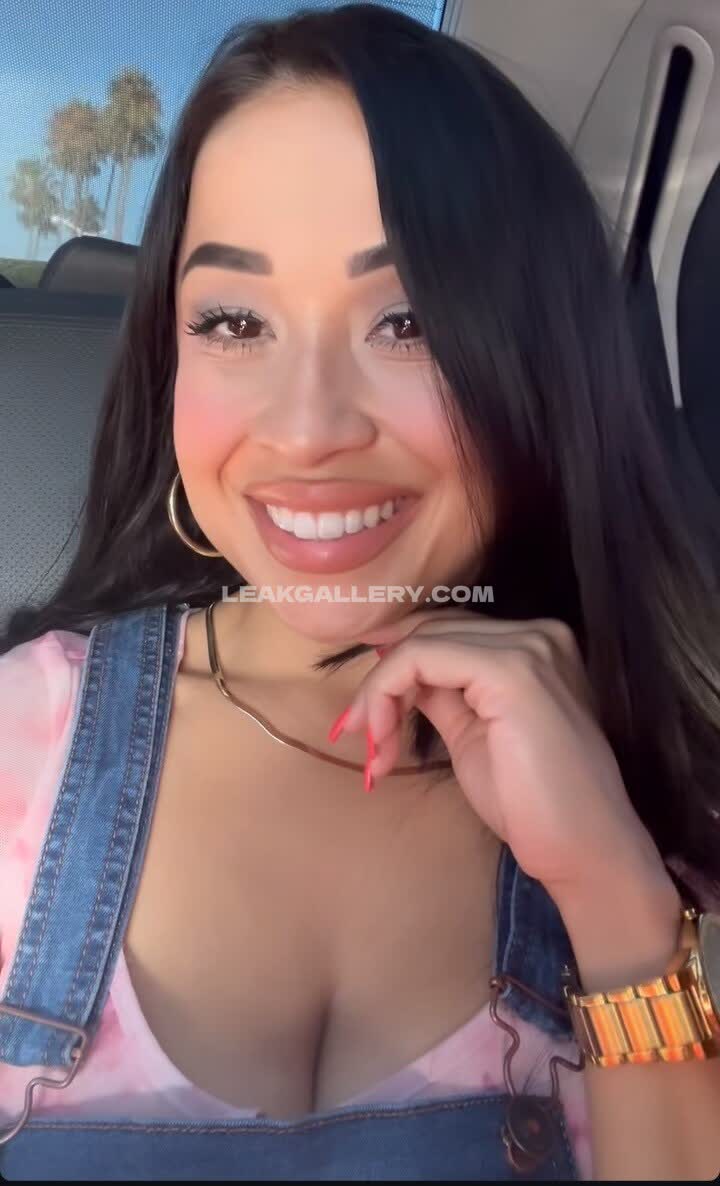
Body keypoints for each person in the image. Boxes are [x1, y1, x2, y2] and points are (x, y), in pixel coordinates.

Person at [1, 3, 720, 1180]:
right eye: (236, 321)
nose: (307, 428)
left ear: (536, 358)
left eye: (407, 319)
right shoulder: (20, 740)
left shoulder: (649, 771)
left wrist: (617, 900)